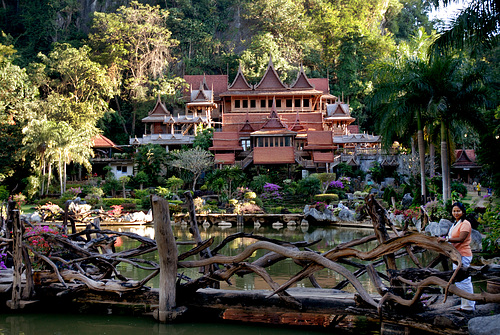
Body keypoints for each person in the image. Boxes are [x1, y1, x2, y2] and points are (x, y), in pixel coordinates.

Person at [438, 202, 475, 311]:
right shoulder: (456, 223)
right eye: (454, 211)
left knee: (464, 281)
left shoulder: (465, 223)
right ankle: (465, 305)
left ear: (463, 211)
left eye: (458, 211)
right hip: (456, 256)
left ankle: (469, 306)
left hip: (463, 255)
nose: (456, 213)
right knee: (460, 281)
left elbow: (461, 239)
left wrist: (447, 239)